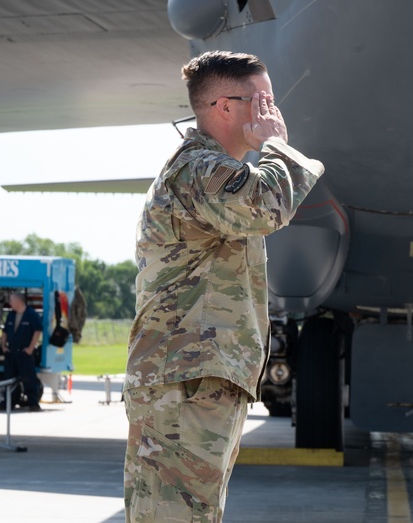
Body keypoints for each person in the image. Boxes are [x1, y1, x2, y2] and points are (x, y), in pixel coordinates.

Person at [123, 51, 324, 523]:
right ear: (224, 107)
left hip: (195, 376)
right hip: (186, 379)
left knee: (190, 513)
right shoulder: (198, 171)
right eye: (262, 100)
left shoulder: (215, 172)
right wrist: (278, 146)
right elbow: (267, 206)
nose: (272, 112)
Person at [0, 291, 43, 411]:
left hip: (24, 353)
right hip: (11, 352)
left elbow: (37, 331)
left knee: (28, 378)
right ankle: (9, 402)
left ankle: (33, 403)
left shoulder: (31, 314)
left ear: (19, 302)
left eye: (12, 301)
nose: (10, 303)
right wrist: (3, 346)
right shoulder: (11, 315)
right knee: (9, 379)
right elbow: (5, 331)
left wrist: (30, 349)